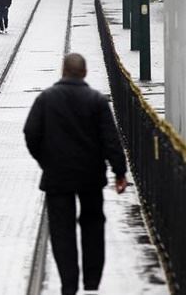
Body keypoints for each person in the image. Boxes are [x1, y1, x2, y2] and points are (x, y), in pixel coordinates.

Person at [23, 53, 128, 295]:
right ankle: (92, 282)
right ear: (85, 72)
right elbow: (111, 140)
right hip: (90, 177)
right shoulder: (97, 101)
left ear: (63, 71)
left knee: (62, 231)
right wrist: (119, 171)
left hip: (57, 177)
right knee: (93, 225)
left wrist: (45, 160)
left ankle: (69, 285)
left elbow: (31, 133)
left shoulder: (45, 99)